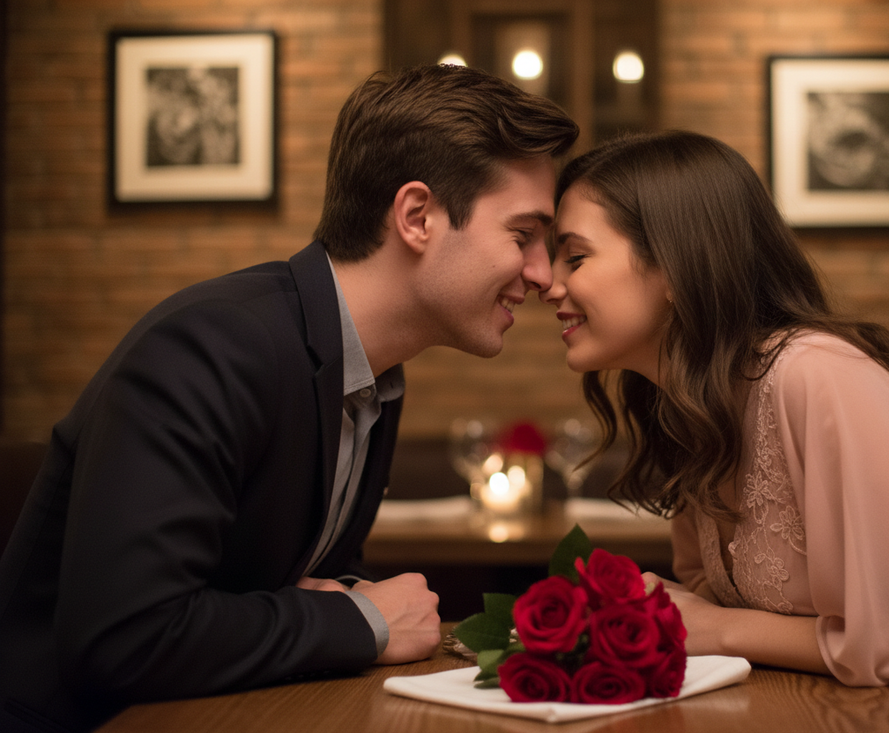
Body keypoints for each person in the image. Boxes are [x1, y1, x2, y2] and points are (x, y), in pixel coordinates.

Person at [0, 64, 578, 733]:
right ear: (417, 216)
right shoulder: (211, 347)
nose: (541, 274)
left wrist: (341, 602)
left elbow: (295, 580)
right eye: (523, 234)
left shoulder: (375, 373)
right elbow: (125, 637)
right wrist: (360, 619)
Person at [540, 130, 889, 733]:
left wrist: (716, 628)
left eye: (575, 257)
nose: (549, 285)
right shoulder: (690, 400)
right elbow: (711, 596)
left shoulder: (817, 376)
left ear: (676, 264)